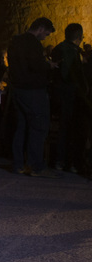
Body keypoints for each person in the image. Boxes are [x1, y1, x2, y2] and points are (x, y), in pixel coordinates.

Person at [7, 17, 58, 177]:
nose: (45, 37)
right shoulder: (33, 43)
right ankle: (35, 165)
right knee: (38, 127)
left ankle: (18, 164)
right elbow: (35, 65)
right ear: (41, 28)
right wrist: (48, 65)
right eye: (46, 34)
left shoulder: (15, 41)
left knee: (21, 127)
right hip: (33, 91)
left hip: (17, 89)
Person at [51, 23, 88, 173]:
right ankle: (70, 161)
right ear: (79, 37)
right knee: (72, 129)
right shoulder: (74, 52)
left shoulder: (58, 49)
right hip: (72, 96)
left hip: (59, 95)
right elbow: (74, 76)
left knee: (63, 128)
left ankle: (60, 160)